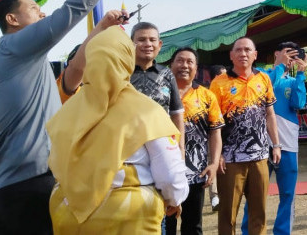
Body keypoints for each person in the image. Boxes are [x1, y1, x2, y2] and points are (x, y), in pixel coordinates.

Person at [0, 0, 151, 235]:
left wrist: (103, 27)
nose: (42, 15)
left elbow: (74, 69)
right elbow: (72, 9)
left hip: (30, 183)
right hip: (28, 187)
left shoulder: (25, 60)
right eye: (34, 9)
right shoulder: (17, 46)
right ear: (11, 20)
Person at [47, 26, 188, 233]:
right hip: (128, 216)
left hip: (68, 213)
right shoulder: (146, 110)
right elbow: (168, 173)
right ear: (127, 60)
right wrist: (175, 198)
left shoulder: (66, 111)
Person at [210, 37, 281, 235]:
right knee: (227, 215)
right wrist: (218, 155)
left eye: (248, 50)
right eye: (239, 50)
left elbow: (270, 114)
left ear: (255, 55)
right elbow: (213, 124)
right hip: (230, 160)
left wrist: (276, 144)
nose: (243, 54)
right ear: (231, 55)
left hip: (260, 158)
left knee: (259, 213)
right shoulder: (218, 84)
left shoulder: (263, 79)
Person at [241, 41, 307, 235]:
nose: (290, 59)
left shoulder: (293, 80)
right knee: (255, 194)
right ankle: (249, 231)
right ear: (276, 53)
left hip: (287, 145)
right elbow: (264, 88)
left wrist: (301, 75)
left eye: (294, 56)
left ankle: (282, 232)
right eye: (287, 53)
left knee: (287, 194)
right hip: (260, 145)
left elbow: (299, 103)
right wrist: (279, 66)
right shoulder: (261, 73)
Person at [167, 47, 224, 235]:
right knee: (164, 226)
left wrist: (214, 163)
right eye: (180, 61)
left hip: (195, 174)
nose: (184, 65)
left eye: (189, 62)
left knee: (193, 226)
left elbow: (215, 133)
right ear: (171, 65)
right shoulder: (159, 94)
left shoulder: (207, 96)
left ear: (196, 67)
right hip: (162, 172)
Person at [130, 22, 185, 152]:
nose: (148, 44)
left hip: (163, 145)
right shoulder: (121, 72)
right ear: (131, 44)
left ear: (159, 45)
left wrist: (181, 148)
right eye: (142, 40)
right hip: (129, 147)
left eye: (152, 40)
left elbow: (176, 114)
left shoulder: (167, 74)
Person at [208, 64, 228, 212]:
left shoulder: (230, 90)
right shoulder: (208, 94)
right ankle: (215, 197)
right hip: (214, 134)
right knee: (213, 162)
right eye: (223, 75)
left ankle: (226, 193)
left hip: (228, 134)